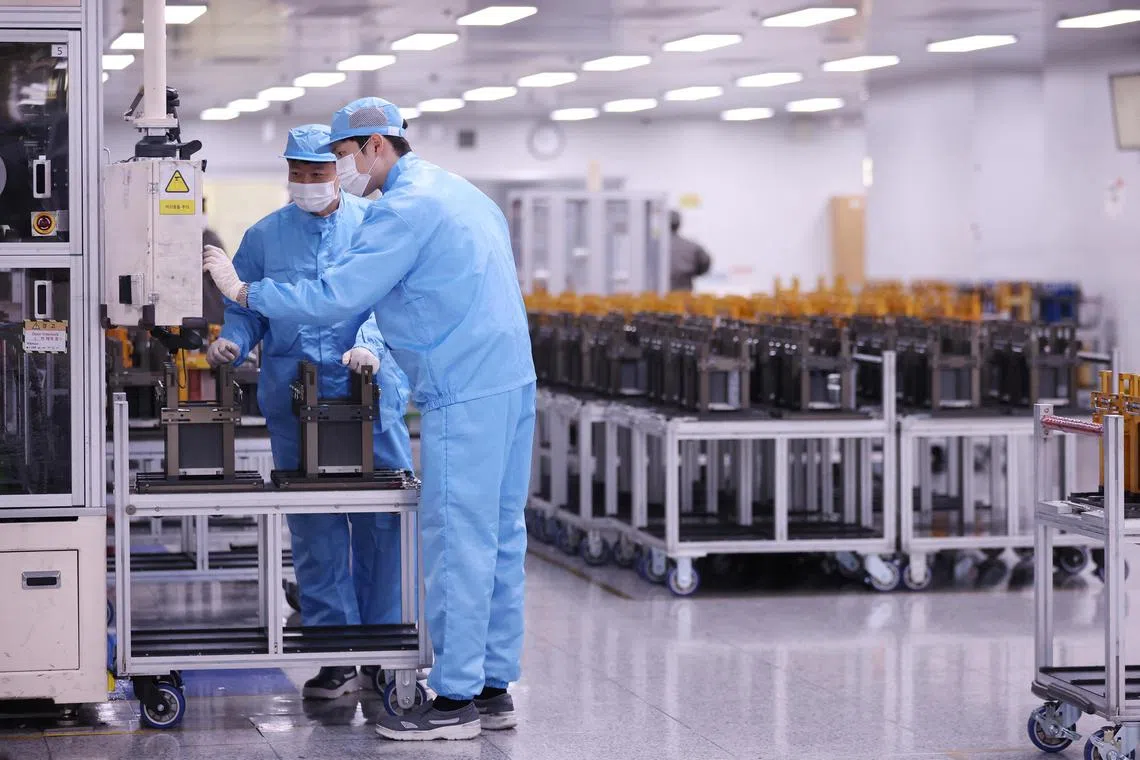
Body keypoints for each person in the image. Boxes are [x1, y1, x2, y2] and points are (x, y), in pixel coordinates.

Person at [204, 97, 535, 742]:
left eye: (340, 157)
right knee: (499, 535)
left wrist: (246, 294)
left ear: (375, 147)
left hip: (461, 390)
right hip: (508, 379)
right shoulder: (460, 192)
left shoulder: (400, 211)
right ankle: (495, 687)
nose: (335, 169)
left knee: (457, 540)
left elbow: (337, 296)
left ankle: (457, 700)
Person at [204, 123, 414, 700]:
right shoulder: (265, 236)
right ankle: (337, 655)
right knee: (314, 526)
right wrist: (234, 341)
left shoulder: (374, 227)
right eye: (296, 172)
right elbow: (244, 305)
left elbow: (389, 296)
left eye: (316, 172)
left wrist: (369, 342)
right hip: (293, 396)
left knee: (382, 521)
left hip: (368, 391)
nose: (305, 182)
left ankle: (385, 647)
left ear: (339, 170)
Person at [668, 209, 712, 291]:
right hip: (684, 293)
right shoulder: (692, 246)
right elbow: (705, 264)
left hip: (653, 297)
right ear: (678, 224)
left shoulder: (651, 247)